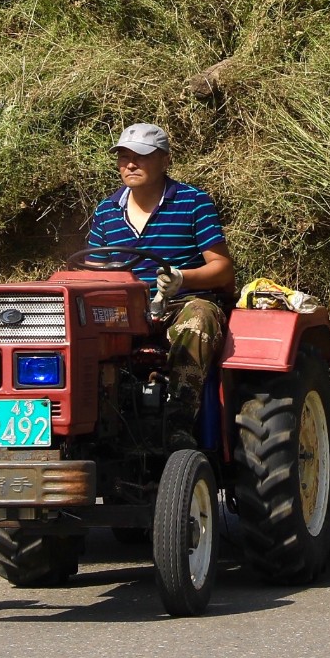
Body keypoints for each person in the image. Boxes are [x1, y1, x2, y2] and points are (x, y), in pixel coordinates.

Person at [87, 123, 233, 439]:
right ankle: (90, 422)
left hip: (182, 302)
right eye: (123, 156)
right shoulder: (106, 211)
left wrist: (182, 278)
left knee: (199, 316)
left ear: (165, 160)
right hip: (124, 311)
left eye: (140, 156)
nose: (130, 164)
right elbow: (90, 272)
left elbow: (222, 268)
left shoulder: (193, 202)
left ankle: (179, 423)